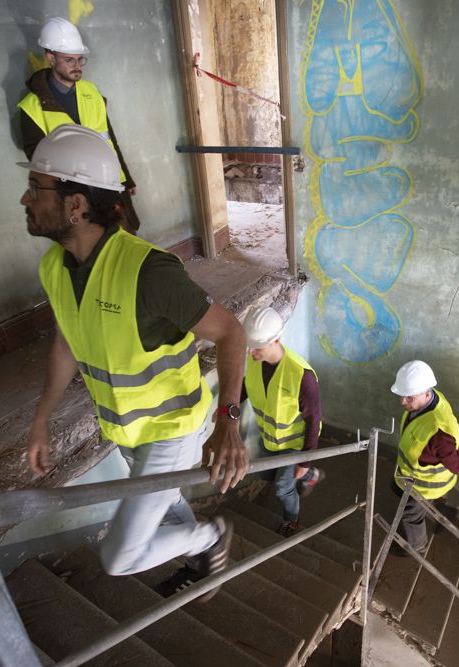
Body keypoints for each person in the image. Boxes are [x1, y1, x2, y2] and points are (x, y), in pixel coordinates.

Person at [20, 125, 248, 601]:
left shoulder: (148, 271)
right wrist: (41, 417)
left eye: (36, 189)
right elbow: (67, 343)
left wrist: (229, 422)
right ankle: (202, 556)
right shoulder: (53, 267)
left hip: (172, 431)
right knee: (164, 506)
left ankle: (211, 539)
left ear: (76, 204)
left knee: (119, 557)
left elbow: (231, 332)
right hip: (126, 432)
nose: (25, 199)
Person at [17, 16, 142, 234]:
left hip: (110, 183)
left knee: (126, 237)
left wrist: (127, 179)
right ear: (51, 58)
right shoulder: (32, 107)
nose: (77, 66)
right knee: (88, 245)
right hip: (74, 196)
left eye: (80, 59)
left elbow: (110, 139)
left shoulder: (91, 92)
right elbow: (39, 162)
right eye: (69, 60)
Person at [241, 306, 324, 537]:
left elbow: (313, 422)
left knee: (282, 488)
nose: (251, 353)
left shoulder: (301, 376)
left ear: (275, 340)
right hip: (268, 439)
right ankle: (311, 476)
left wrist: (305, 460)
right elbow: (246, 388)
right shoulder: (255, 362)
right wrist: (228, 412)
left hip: (294, 446)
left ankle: (292, 519)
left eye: (256, 347)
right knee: (265, 475)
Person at [389, 360, 459, 556]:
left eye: (409, 398)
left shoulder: (439, 432)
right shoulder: (432, 398)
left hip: (422, 486)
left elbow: (457, 466)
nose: (403, 402)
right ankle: (438, 509)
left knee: (411, 515)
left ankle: (417, 546)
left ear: (426, 393)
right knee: (396, 489)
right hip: (408, 475)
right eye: (403, 396)